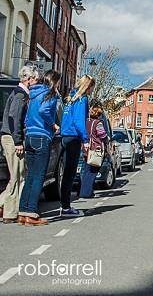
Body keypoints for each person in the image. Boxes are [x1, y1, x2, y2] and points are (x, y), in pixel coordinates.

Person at [18, 70, 61, 226]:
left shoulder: (33, 93)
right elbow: (44, 111)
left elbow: (28, 116)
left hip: (29, 136)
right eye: (58, 82)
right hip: (42, 136)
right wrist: (53, 124)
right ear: (54, 82)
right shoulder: (50, 94)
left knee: (30, 175)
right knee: (39, 176)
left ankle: (23, 211)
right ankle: (32, 213)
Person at [0, 65, 39, 224]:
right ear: (28, 79)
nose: (36, 82)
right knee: (16, 176)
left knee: (19, 174)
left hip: (11, 137)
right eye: (35, 79)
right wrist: (17, 141)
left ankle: (8, 206)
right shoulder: (20, 95)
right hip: (12, 139)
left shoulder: (20, 93)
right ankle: (9, 213)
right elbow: (13, 118)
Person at [59, 75, 95, 217]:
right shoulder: (82, 99)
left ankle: (64, 205)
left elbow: (65, 118)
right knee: (69, 173)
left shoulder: (70, 98)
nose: (92, 90)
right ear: (88, 86)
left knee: (64, 173)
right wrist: (85, 139)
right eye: (92, 87)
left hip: (65, 136)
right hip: (74, 137)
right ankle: (66, 207)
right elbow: (79, 122)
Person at [79, 104, 109, 198]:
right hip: (95, 149)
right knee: (93, 171)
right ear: (99, 114)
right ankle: (86, 192)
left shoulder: (86, 121)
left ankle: (85, 191)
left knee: (86, 170)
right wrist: (107, 140)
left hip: (85, 148)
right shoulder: (98, 123)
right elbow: (102, 135)